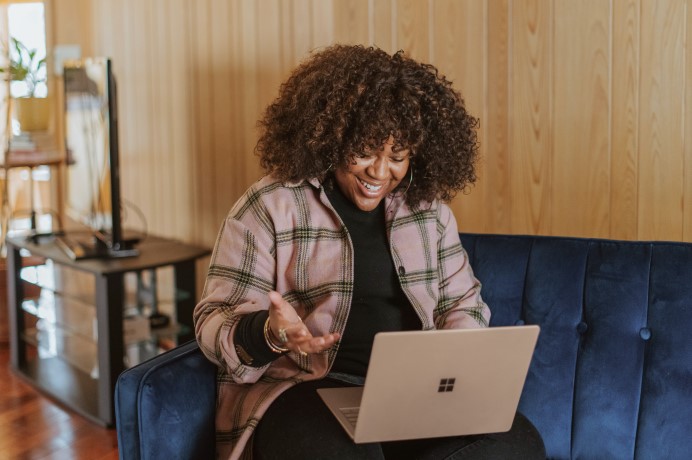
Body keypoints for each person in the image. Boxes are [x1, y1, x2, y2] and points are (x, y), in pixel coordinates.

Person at [194, 44, 545, 460]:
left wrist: (452, 367)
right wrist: (270, 333)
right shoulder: (270, 206)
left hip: (412, 395)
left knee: (516, 445)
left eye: (397, 157)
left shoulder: (429, 213)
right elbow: (212, 324)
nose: (380, 173)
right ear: (331, 138)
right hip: (306, 390)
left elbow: (463, 304)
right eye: (364, 152)